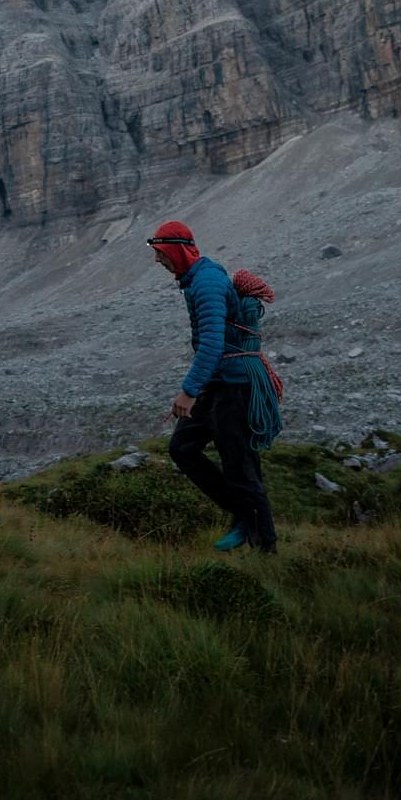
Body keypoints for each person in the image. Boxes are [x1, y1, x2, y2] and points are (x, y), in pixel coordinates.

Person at [148, 221, 281, 552]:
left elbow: (212, 344)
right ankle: (243, 517)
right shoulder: (198, 279)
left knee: (241, 466)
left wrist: (189, 390)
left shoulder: (206, 283)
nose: (158, 261)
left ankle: (266, 549)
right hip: (220, 382)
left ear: (177, 251)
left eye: (161, 254)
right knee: (183, 447)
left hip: (234, 385)